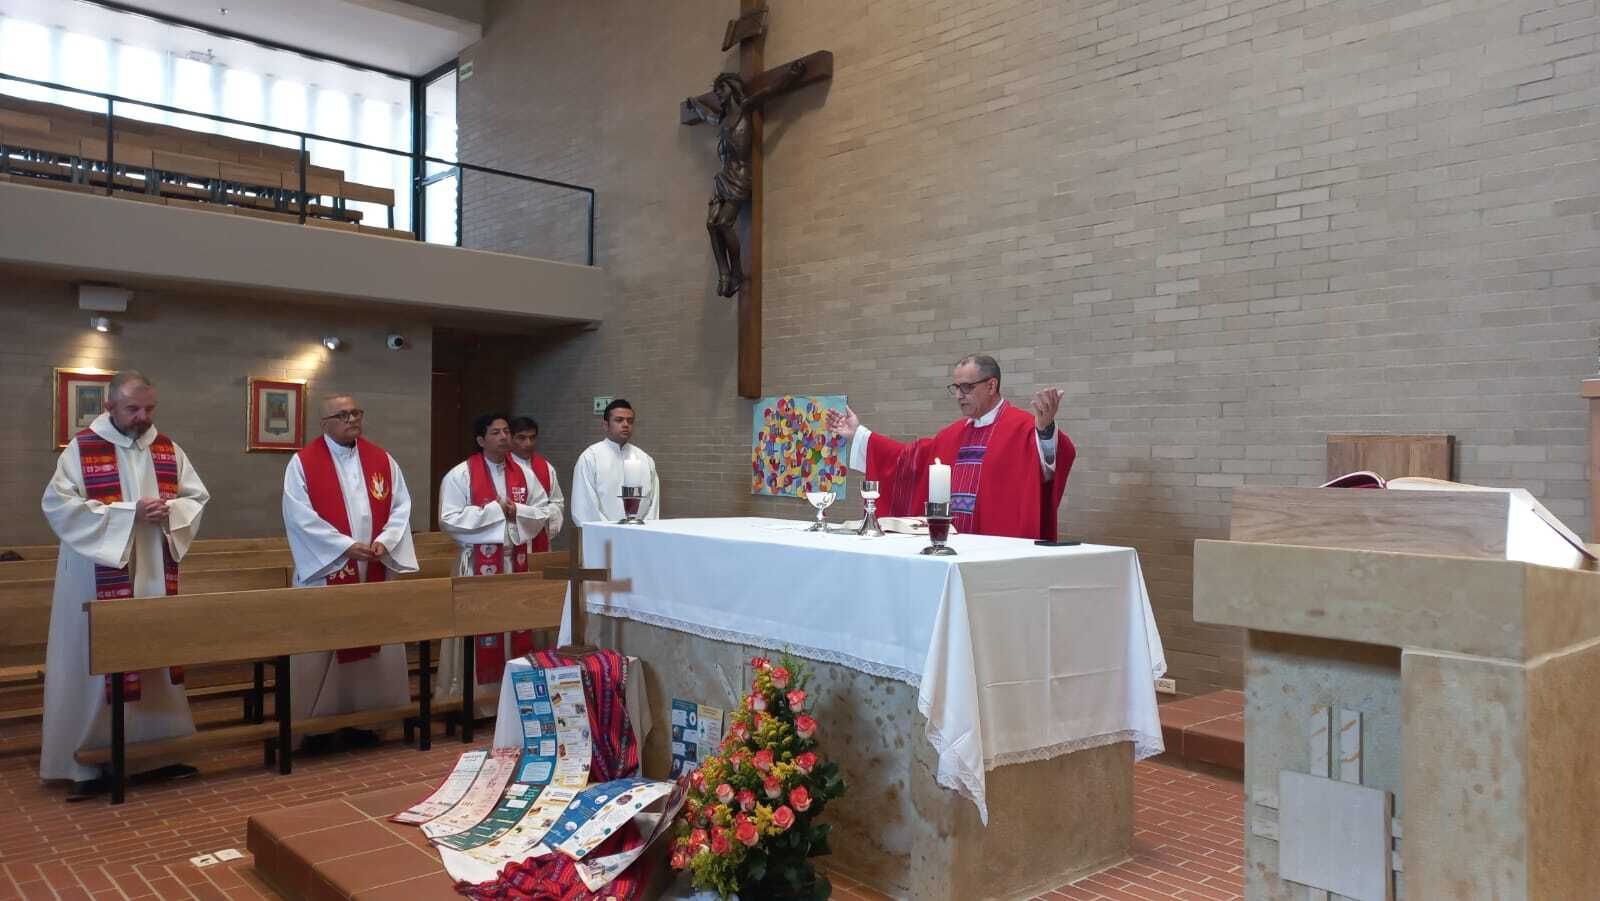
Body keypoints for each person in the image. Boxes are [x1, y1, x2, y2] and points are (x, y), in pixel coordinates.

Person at [39, 370, 210, 800]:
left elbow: (196, 498)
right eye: (133, 408)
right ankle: (85, 764)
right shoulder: (82, 449)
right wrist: (129, 514)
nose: (142, 417)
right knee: (94, 664)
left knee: (153, 655)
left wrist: (169, 511)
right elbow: (60, 506)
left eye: (149, 408)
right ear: (109, 406)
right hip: (96, 575)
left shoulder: (167, 448)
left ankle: (157, 754)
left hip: (152, 570)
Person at [281, 394, 418, 749]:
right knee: (322, 647)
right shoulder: (302, 463)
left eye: (356, 412)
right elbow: (299, 516)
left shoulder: (382, 460)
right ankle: (317, 729)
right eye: (342, 415)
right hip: (326, 568)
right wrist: (343, 546)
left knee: (374, 646)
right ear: (323, 423)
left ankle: (370, 721)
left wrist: (386, 541)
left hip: (372, 565)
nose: (352, 419)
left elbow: (401, 506)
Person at [826, 354, 1075, 540]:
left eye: (966, 387)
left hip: (997, 550)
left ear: (991, 386)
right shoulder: (952, 435)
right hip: (954, 547)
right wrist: (857, 435)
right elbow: (905, 460)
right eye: (955, 388)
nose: (958, 395)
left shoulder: (1022, 427)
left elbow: (1048, 473)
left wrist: (1045, 430)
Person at [436, 413, 555, 715]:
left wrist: (517, 510)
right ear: (480, 440)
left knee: (514, 629)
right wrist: (495, 511)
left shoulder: (525, 474)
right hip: (477, 563)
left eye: (506, 431)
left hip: (515, 564)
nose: (504, 437)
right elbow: (448, 519)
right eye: (496, 432)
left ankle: (518, 701)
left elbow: (543, 510)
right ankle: (475, 705)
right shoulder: (460, 475)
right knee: (480, 632)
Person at [571, 399, 660, 526]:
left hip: (640, 535)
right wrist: (613, 532)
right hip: (603, 538)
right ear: (606, 425)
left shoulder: (645, 459)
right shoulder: (590, 458)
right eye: (619, 420)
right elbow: (585, 506)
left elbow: (653, 504)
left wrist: (645, 529)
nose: (625, 424)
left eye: (630, 421)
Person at [509, 415, 564, 551]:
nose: (528, 443)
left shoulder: (546, 467)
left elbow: (557, 504)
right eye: (521, 438)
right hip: (511, 540)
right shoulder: (501, 467)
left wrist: (537, 515)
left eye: (532, 438)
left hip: (539, 538)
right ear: (510, 439)